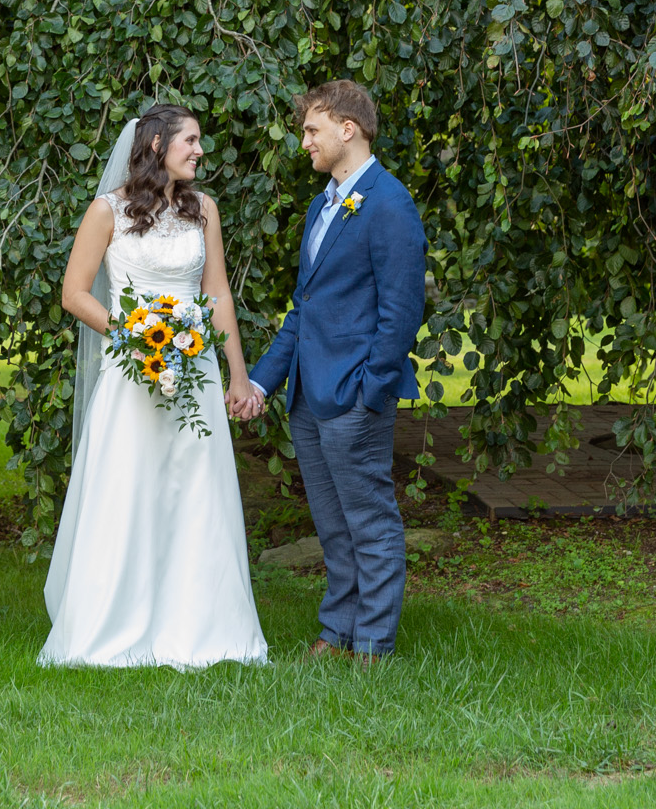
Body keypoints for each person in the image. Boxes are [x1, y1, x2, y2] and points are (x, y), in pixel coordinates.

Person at [38, 104, 269, 668]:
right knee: (130, 491)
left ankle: (205, 630)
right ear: (158, 142)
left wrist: (238, 374)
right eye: (191, 141)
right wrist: (136, 334)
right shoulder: (107, 210)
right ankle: (111, 627)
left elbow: (216, 294)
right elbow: (75, 294)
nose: (199, 151)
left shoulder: (204, 210)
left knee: (197, 494)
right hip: (132, 373)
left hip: (195, 371)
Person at [231, 80, 426, 661]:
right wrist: (264, 381)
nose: (304, 142)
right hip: (308, 398)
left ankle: (372, 642)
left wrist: (370, 389)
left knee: (369, 521)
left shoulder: (390, 204)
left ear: (349, 129)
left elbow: (400, 312)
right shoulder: (324, 204)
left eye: (312, 130)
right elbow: (305, 308)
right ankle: (337, 633)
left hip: (354, 396)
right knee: (334, 526)